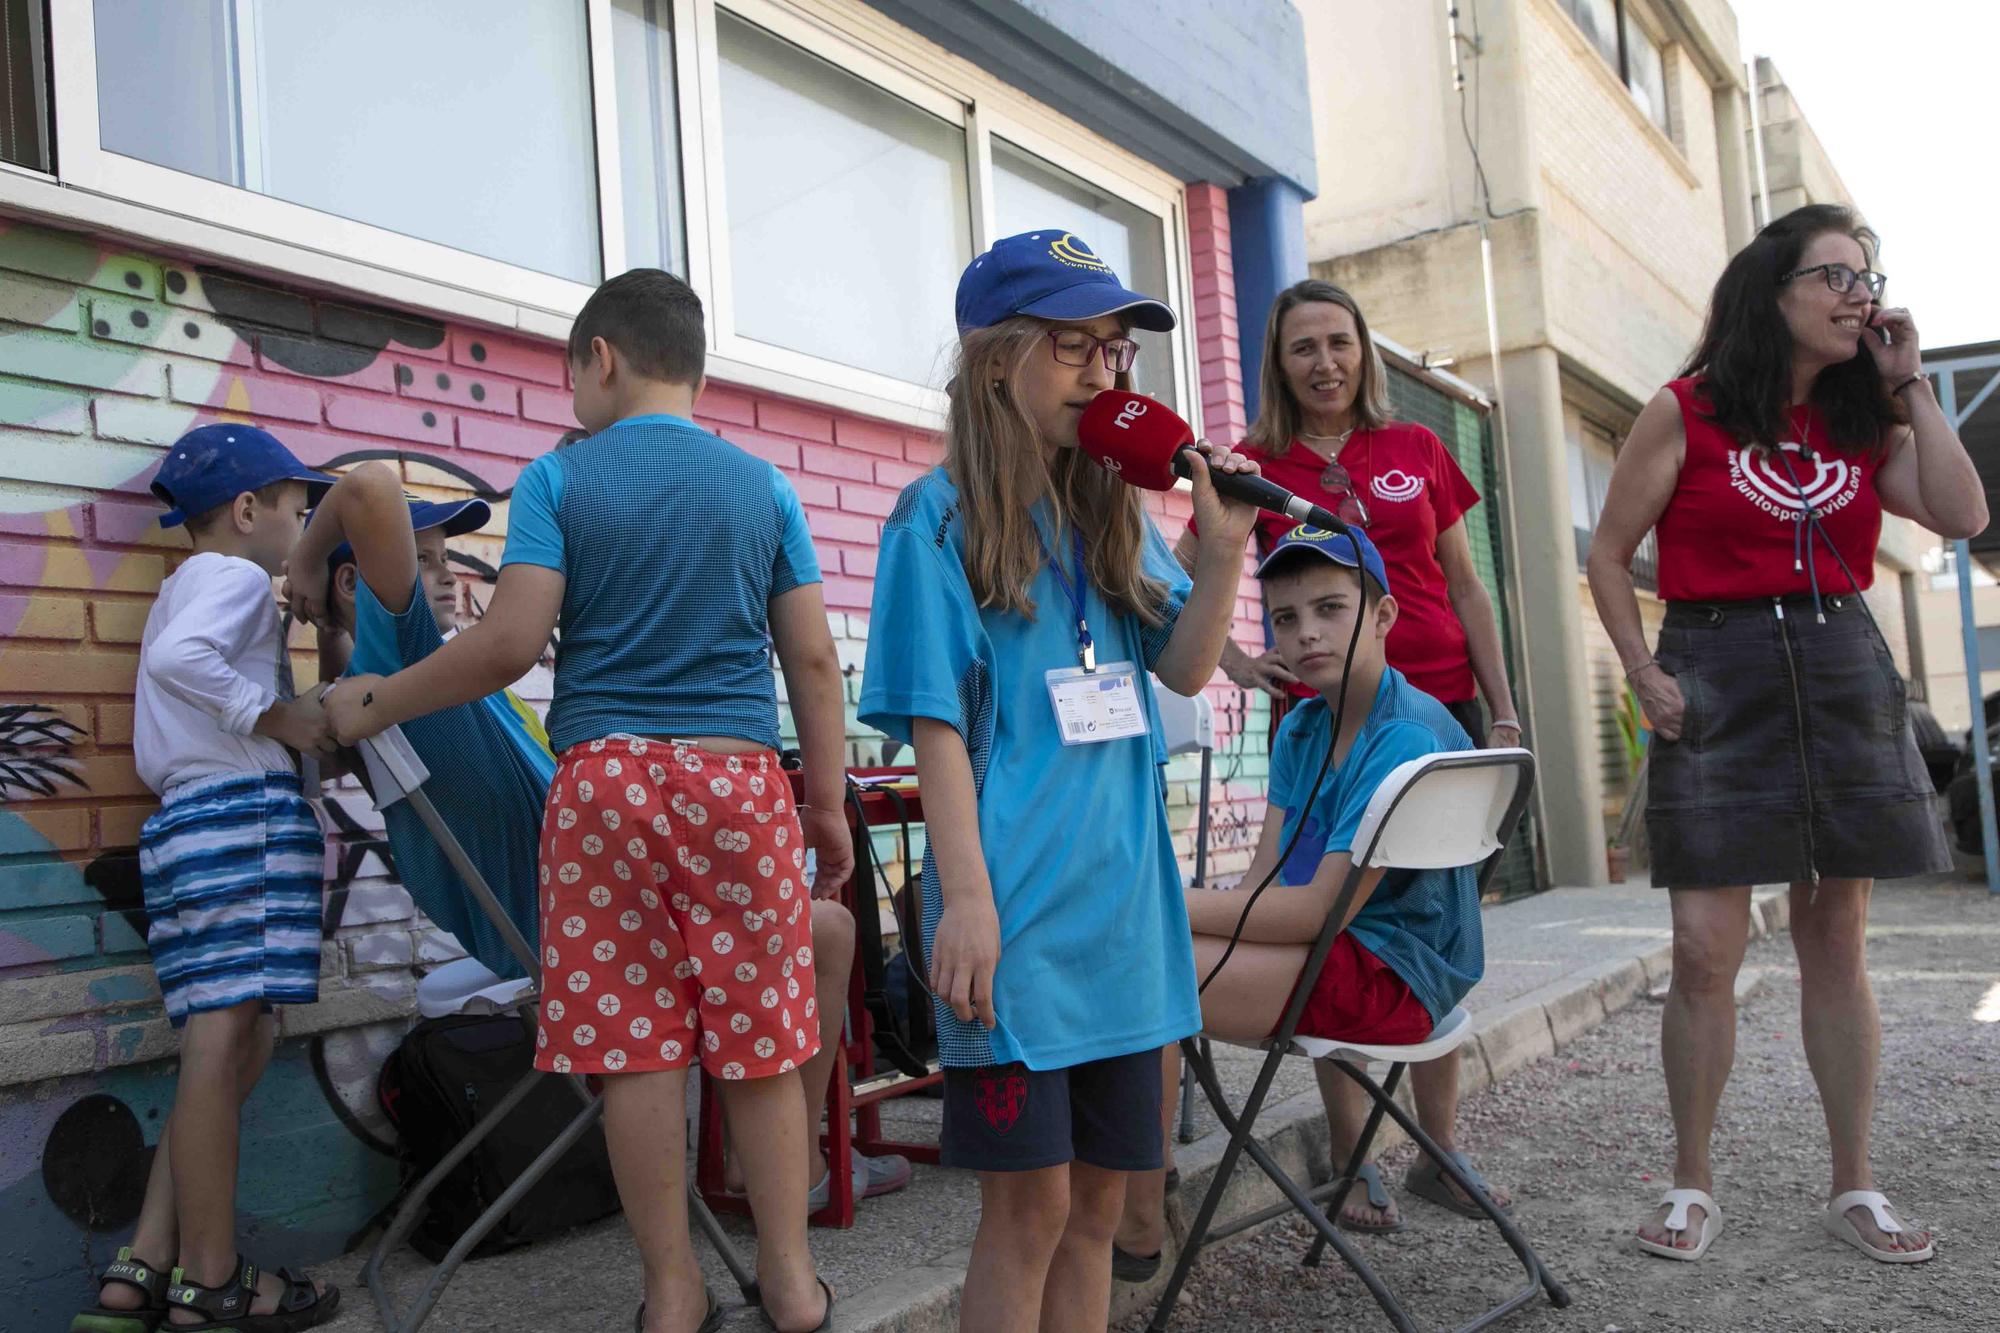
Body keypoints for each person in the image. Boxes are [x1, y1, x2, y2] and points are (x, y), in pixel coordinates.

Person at [326, 268, 852, 1333]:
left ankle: (670, 1294)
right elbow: (809, 658)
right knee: (759, 1035)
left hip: (603, 782)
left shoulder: (560, 483)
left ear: (600, 358)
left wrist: (378, 696)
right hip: (738, 778)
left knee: (634, 1047)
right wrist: (826, 802)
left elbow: (509, 643)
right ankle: (791, 1285)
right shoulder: (766, 489)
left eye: (571, 374)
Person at [291, 465, 906, 1217]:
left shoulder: (423, 677)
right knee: (823, 928)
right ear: (356, 585)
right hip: (586, 928)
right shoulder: (396, 659)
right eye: (424, 561)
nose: (448, 576)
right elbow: (367, 492)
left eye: (447, 556)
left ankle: (770, 1162)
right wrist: (303, 564)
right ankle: (787, 1167)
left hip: (604, 898)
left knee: (816, 925)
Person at [858, 229, 1261, 1333]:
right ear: (999, 361)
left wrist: (1220, 552)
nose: (1103, 373)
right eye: (1074, 347)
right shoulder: (933, 519)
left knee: (1096, 1208)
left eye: (1115, 352)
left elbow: (1180, 665)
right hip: (1018, 926)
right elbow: (933, 723)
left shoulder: (1110, 511)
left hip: (1124, 924)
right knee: (1027, 1208)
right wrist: (968, 900)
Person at [1586, 204, 1985, 1265]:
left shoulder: (1866, 421)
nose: (1859, 294)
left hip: (1838, 659)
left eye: (1867, 276)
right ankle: (1689, 1180)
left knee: (1833, 939)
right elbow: (1608, 552)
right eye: (1835, 276)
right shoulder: (1686, 410)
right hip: (1713, 668)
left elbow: (1960, 516)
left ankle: (1853, 1183)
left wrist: (1905, 385)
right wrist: (1641, 669)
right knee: (1701, 947)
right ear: (1772, 292)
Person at [1121, 281, 1517, 1256]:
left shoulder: (1415, 448)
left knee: (1360, 912)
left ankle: (1430, 1143)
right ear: (1278, 362)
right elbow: (1178, 572)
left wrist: (1501, 708)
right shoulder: (1255, 465)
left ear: (1360, 352)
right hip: (1328, 719)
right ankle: (1347, 1156)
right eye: (1302, 346)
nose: (1324, 362)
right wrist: (1228, 655)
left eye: (1339, 342)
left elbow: (1465, 582)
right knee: (1292, 910)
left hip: (1421, 720)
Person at [1120, 527, 1499, 1277]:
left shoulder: (1403, 735)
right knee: (1148, 949)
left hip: (1400, 978)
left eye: (1330, 608)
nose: (1306, 633)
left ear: (1385, 615)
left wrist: (1156, 898)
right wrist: (1180, 909)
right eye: (1286, 618)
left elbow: (1313, 913)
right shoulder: (1300, 726)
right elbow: (1270, 879)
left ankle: (1138, 1213)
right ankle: (1138, 1180)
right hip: (1347, 947)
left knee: (1143, 968)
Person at [78, 424, 342, 1332]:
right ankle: (211, 1277)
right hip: (241, 816)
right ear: (247, 510)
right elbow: (179, 665)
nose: (304, 527)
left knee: (231, 1038)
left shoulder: (181, 587)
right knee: (226, 1040)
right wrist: (271, 713)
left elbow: (171, 658)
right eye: (298, 509)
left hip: (188, 825)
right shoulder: (233, 580)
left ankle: (144, 1260)